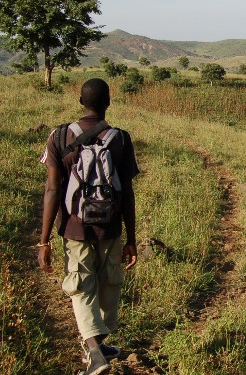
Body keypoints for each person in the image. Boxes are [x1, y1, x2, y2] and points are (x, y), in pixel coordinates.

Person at [37, 78, 140, 375]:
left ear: (81, 102)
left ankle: (95, 351)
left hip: (75, 229)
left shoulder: (59, 137)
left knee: (82, 286)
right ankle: (97, 346)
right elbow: (127, 193)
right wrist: (131, 237)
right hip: (110, 228)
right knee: (108, 284)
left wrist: (44, 240)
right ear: (108, 102)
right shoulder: (120, 139)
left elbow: (53, 190)